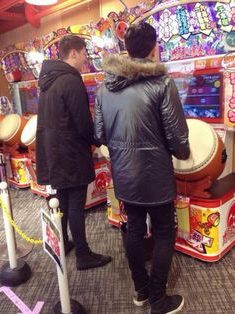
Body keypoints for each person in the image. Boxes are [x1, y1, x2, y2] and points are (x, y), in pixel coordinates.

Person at [94, 22, 190, 313]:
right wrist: (184, 152)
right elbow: (176, 136)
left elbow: (99, 134)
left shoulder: (104, 88)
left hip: (124, 174)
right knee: (163, 231)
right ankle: (158, 300)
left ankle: (141, 289)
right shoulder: (161, 82)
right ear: (153, 48)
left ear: (125, 49)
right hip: (155, 175)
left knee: (133, 229)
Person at [36, 35, 111, 270]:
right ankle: (83, 255)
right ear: (74, 53)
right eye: (85, 54)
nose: (86, 60)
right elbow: (82, 122)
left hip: (54, 152)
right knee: (76, 203)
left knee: (64, 202)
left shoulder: (48, 79)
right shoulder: (70, 80)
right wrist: (100, 140)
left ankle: (63, 242)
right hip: (70, 152)